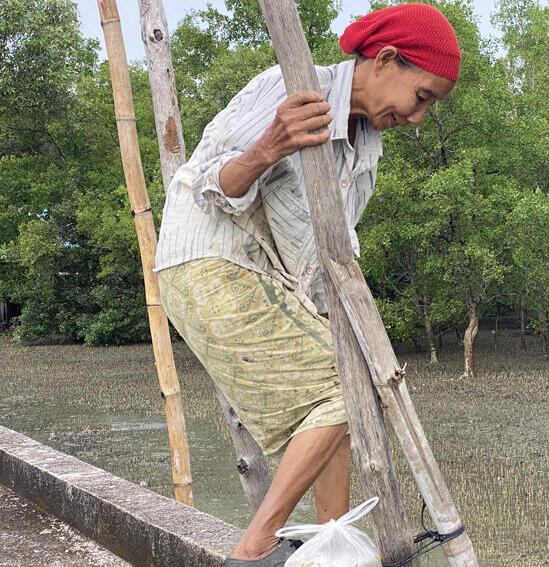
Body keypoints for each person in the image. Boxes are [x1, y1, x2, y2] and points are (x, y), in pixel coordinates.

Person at [153, 4, 459, 566]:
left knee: (343, 387)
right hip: (208, 259)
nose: (418, 119)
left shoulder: (366, 148)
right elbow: (207, 185)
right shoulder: (293, 87)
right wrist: (269, 146)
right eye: (423, 98)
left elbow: (331, 246)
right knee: (344, 391)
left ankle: (331, 545)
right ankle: (254, 548)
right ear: (388, 59)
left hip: (271, 278)